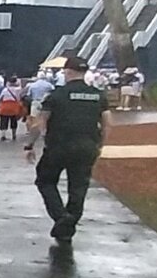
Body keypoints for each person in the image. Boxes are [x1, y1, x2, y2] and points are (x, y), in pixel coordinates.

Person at [25, 55, 111, 241]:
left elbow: (40, 123)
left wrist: (29, 145)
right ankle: (70, 222)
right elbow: (107, 123)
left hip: (59, 146)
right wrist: (100, 144)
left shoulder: (57, 95)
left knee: (45, 181)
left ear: (67, 71)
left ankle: (61, 216)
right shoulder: (98, 95)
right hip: (87, 146)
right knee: (78, 186)